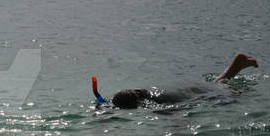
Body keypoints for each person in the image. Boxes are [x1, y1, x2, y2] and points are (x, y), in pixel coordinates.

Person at [111, 53, 259, 109]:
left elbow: (179, 118)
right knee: (216, 84)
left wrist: (171, 134)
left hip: (203, 96)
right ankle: (240, 64)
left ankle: (239, 66)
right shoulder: (146, 93)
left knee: (230, 94)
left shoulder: (156, 103)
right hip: (194, 89)